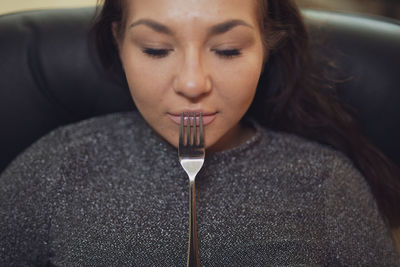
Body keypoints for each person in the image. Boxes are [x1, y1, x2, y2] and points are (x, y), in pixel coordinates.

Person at [1, 0, 399, 265]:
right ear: (119, 42)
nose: (192, 84)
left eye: (227, 49)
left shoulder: (327, 184)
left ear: (266, 47)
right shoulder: (58, 164)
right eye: (156, 49)